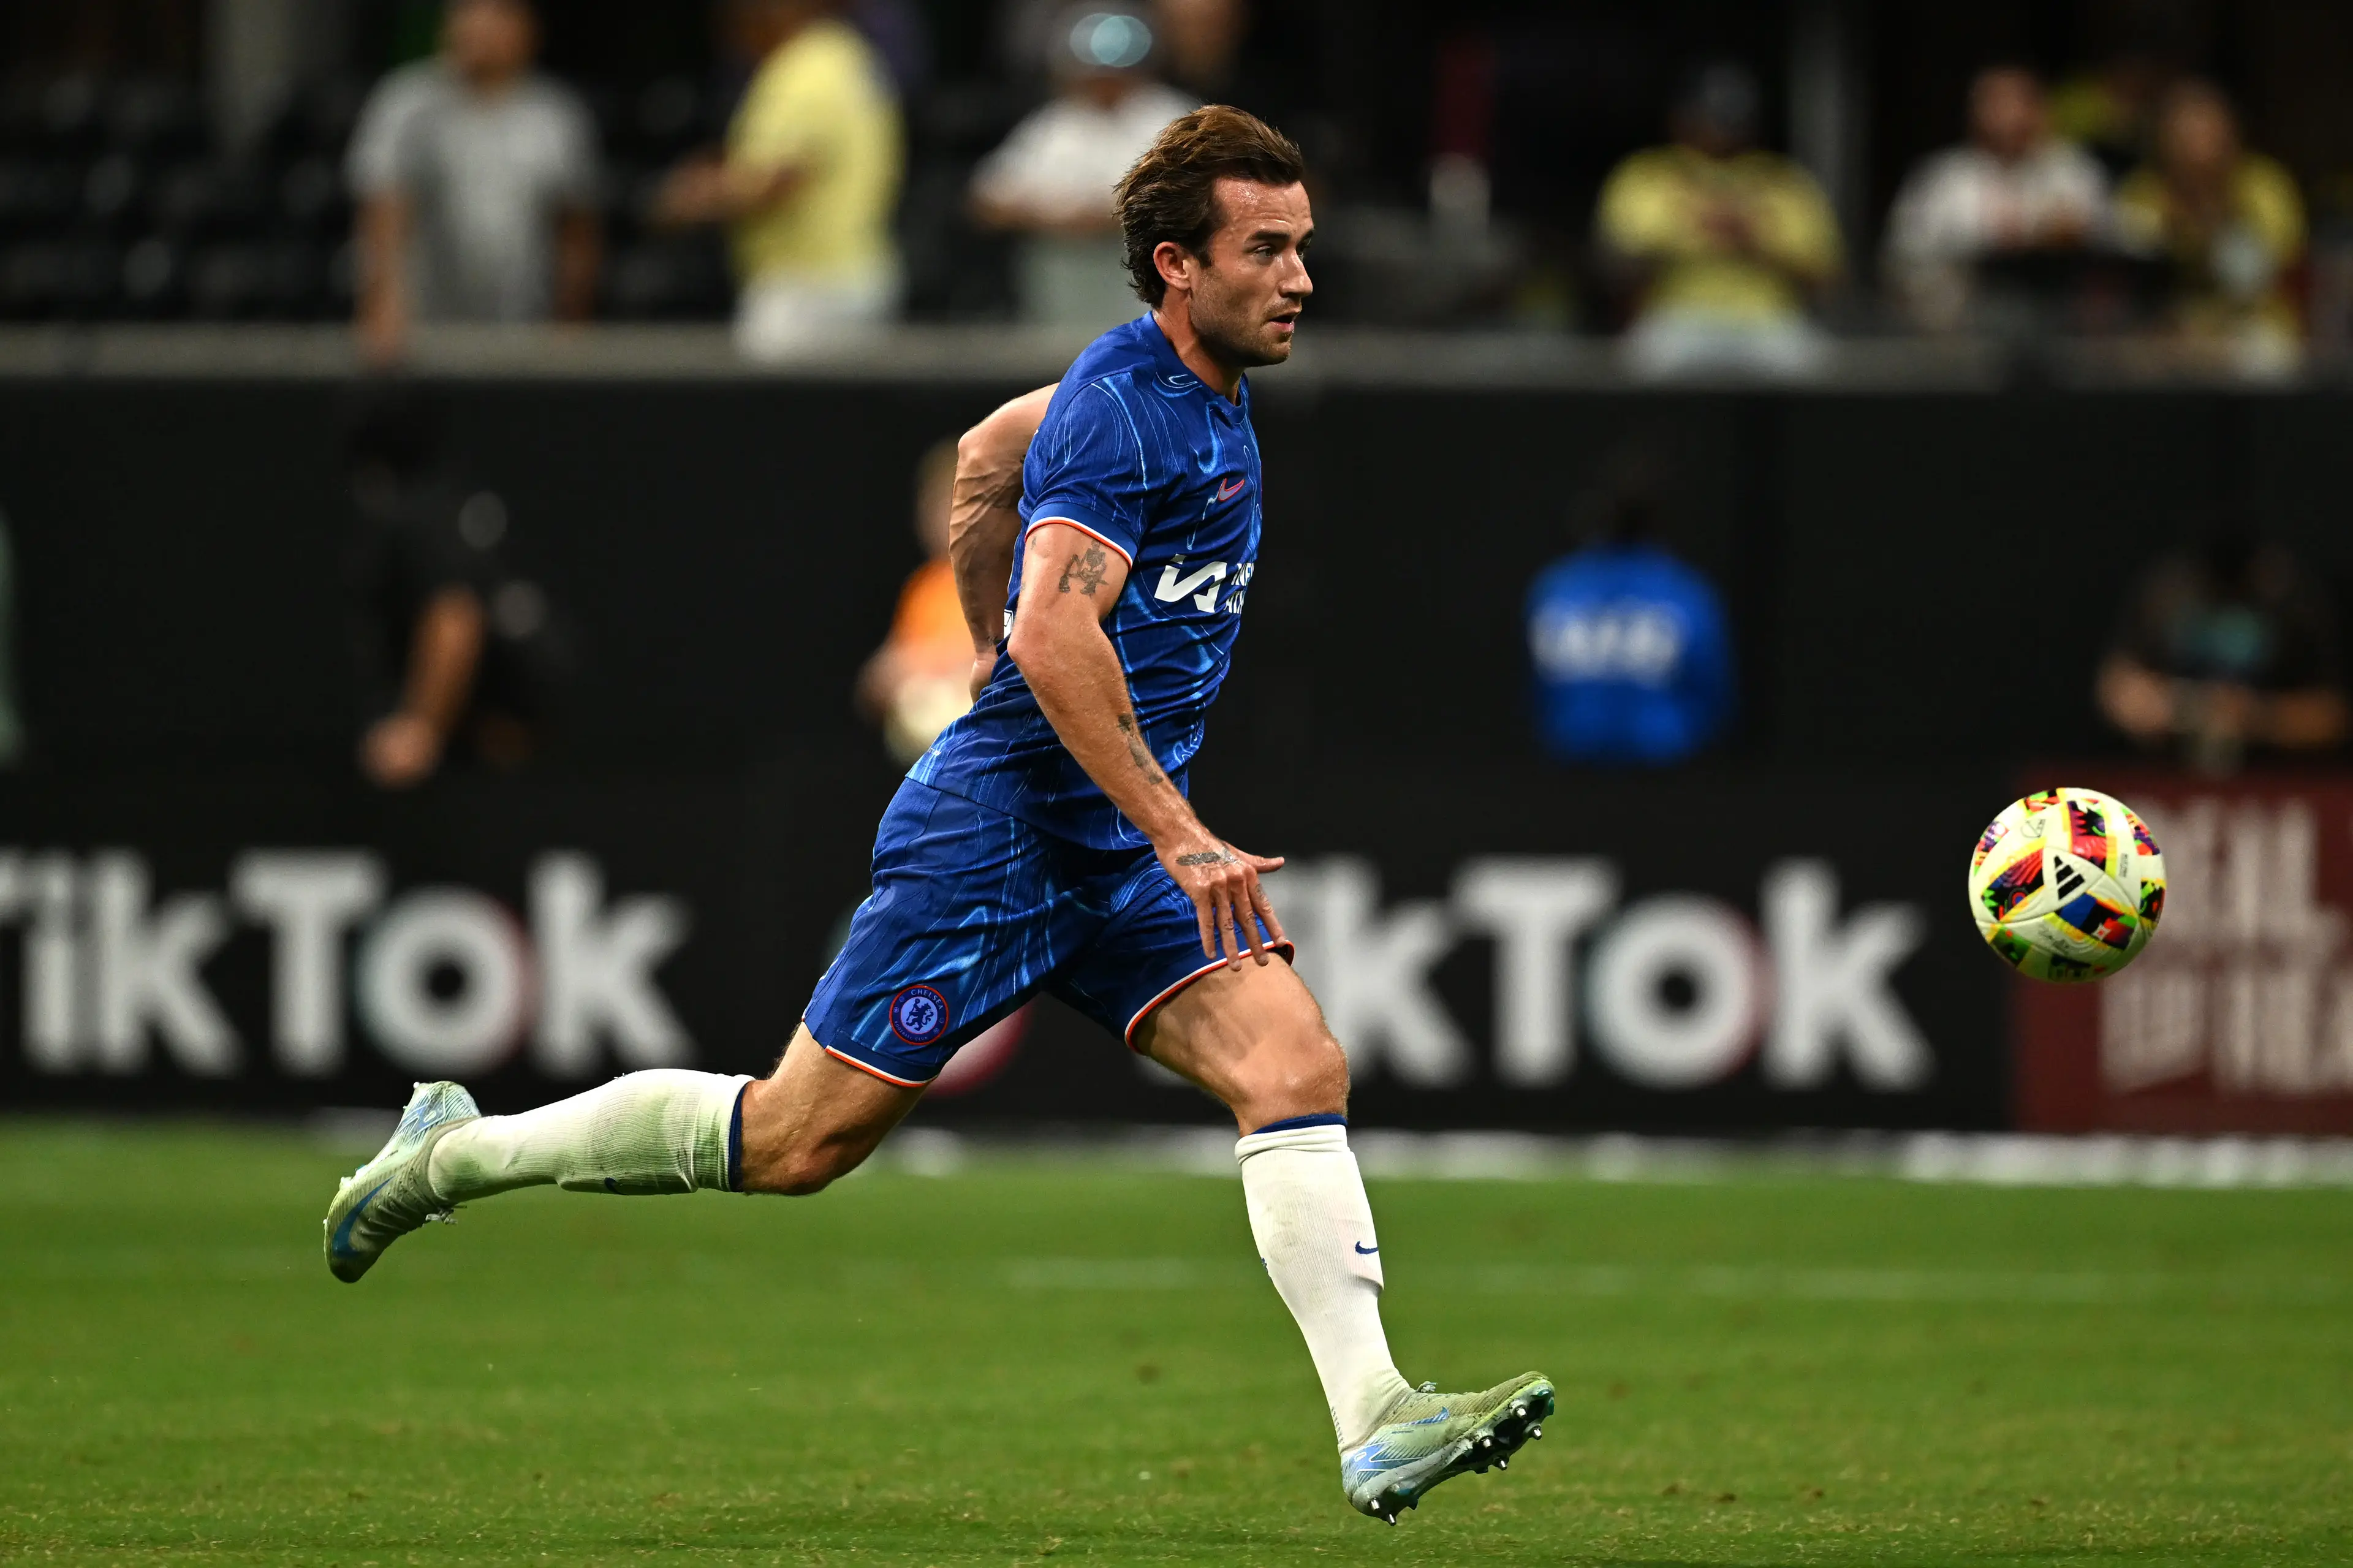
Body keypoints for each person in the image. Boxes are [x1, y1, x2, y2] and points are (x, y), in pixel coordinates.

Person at [323, 104, 1553, 1528]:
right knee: (796, 1142)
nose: (1299, 278)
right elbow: (1058, 637)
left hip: (1103, 837)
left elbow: (979, 455)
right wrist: (1162, 812)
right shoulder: (1122, 409)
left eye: (1301, 247)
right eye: (1265, 250)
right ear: (1174, 263)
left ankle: (1374, 1418)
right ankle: (452, 1152)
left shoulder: (1183, 391)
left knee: (1292, 1060)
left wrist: (983, 628)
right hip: (1007, 833)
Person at [347, 0, 601, 363]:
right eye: (467, 10)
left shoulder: (556, 116)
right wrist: (383, 303)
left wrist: (573, 321)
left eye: (498, 13)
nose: (479, 25)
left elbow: (577, 232)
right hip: (420, 336)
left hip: (524, 333)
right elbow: (383, 211)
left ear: (528, 31)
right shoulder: (406, 102)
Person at [656, 0, 903, 360]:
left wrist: (695, 196)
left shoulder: (802, 70)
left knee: (769, 413)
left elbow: (779, 180)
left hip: (807, 288)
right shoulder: (846, 55)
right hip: (857, 273)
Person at [344, 383, 563, 788]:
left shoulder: (414, 520)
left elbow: (455, 617)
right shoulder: (447, 505)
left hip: (495, 757)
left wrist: (420, 729)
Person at [1594, 62, 1843, 377]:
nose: (1720, 129)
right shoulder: (1650, 174)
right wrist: (1695, 229)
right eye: (1710, 116)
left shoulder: (1781, 181)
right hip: (1674, 315)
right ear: (1682, 118)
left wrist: (1753, 241)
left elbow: (1824, 276)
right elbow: (1618, 265)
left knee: (1822, 370)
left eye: (1732, 119)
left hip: (1768, 321)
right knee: (1637, 365)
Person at [970, 3, 1195, 331]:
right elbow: (985, 204)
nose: (1105, 79)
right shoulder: (1054, 125)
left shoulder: (1171, 117)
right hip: (1061, 302)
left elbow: (1207, 195)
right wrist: (1054, 218)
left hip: (1153, 303)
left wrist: (1111, 219)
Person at [2096, 513, 2347, 775]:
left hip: (2281, 784)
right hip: (2161, 780)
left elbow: (2331, 714)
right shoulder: (2165, 595)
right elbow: (2118, 692)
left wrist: (2256, 715)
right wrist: (2189, 707)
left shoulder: (2294, 600)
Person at [1525, 468, 1732, 764]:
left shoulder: (1557, 586)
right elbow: (1715, 694)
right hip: (1607, 772)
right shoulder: (1685, 592)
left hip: (1608, 770)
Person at [1882, 66, 2112, 333]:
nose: (2008, 115)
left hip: (2061, 326)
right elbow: (1902, 257)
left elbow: (2109, 243)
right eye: (1996, 103)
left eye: (2019, 101)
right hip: (1958, 327)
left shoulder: (2074, 173)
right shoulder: (1942, 179)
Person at [2114, 81, 2306, 373]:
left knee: (2269, 356)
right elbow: (2132, 280)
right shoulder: (2142, 194)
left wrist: (2216, 214)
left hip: (2250, 327)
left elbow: (2258, 277)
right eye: (2184, 132)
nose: (2198, 143)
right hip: (2166, 332)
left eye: (2208, 130)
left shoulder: (2263, 186)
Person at [856, 437, 979, 762]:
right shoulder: (924, 587)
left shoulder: (1007, 577)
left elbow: (1001, 654)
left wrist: (929, 659)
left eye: (958, 502)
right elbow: (885, 674)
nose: (944, 517)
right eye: (935, 504)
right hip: (932, 759)